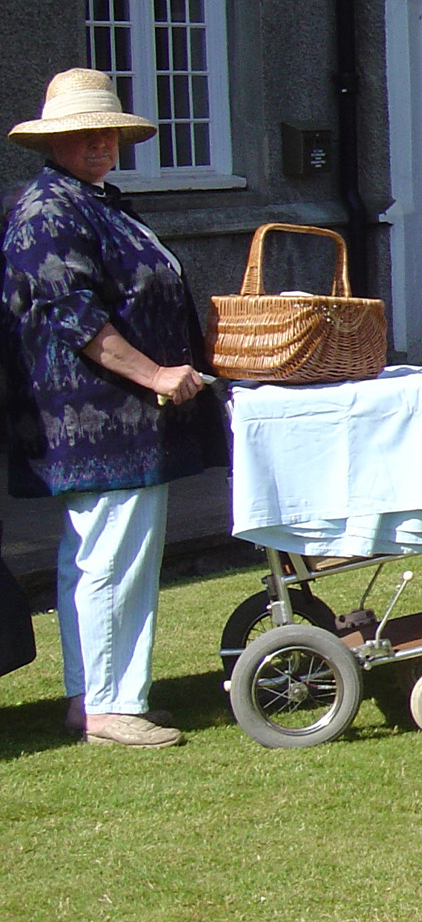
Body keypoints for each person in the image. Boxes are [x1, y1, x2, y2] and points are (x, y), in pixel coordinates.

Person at [2, 67, 224, 749]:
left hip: (124, 420)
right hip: (93, 421)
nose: (99, 144)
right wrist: (155, 372)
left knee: (116, 554)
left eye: (107, 133)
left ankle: (106, 696)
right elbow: (75, 316)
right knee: (106, 557)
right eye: (82, 134)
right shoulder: (47, 211)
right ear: (55, 142)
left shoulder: (95, 199)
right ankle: (103, 705)